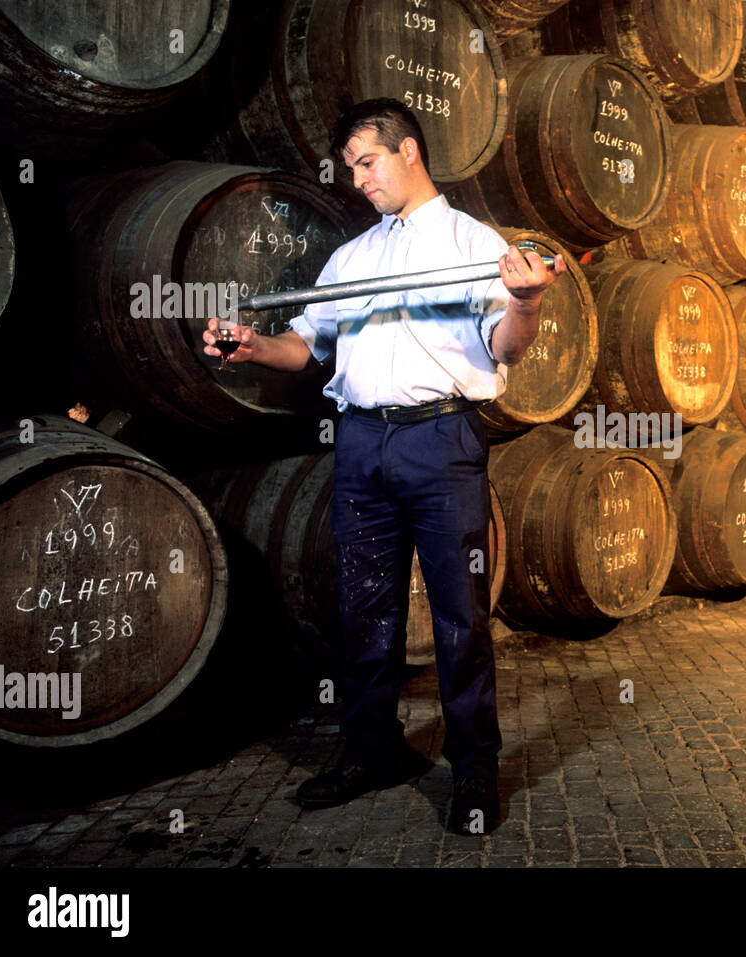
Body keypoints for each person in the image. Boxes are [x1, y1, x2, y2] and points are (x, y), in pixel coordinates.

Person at [202, 98, 565, 834]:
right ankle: (373, 750)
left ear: (409, 152)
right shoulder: (354, 257)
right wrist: (251, 346)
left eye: (367, 162)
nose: (359, 180)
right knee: (364, 610)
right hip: (362, 444)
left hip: (440, 443)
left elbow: (507, 347)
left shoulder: (473, 242)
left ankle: (472, 769)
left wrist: (525, 304)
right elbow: (305, 348)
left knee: (460, 617)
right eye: (350, 169)